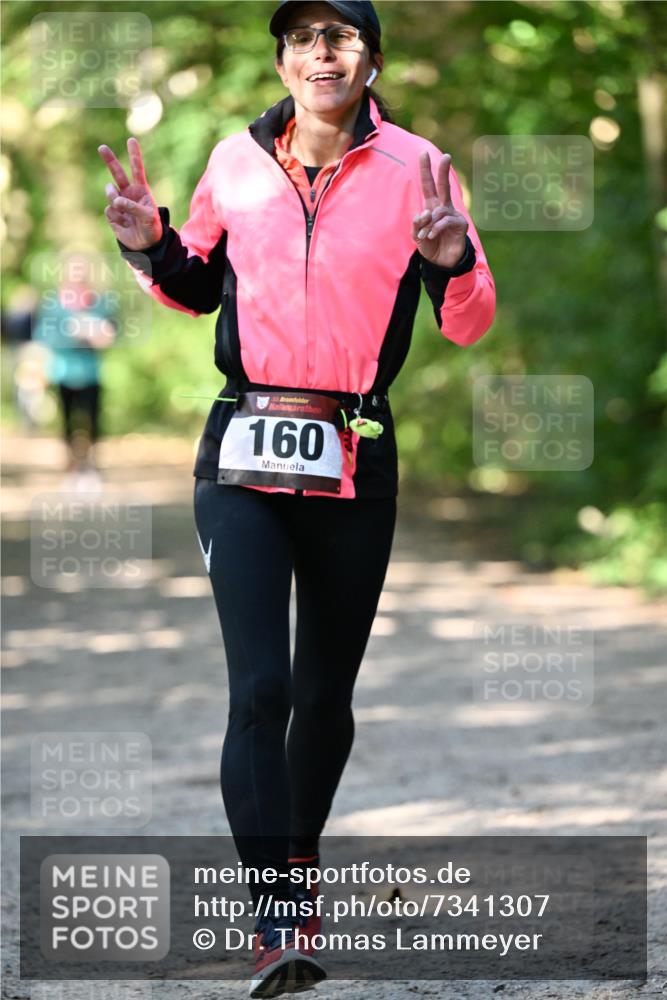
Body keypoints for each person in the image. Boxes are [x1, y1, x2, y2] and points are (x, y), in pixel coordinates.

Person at [99, 1, 495, 994]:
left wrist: (450, 266)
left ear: (369, 61)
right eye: (303, 38)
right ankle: (277, 920)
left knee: (322, 696)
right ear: (282, 61)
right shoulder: (233, 163)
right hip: (241, 447)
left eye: (342, 36)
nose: (322, 51)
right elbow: (195, 287)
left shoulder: (418, 167)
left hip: (355, 449)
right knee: (259, 692)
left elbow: (470, 321)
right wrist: (150, 248)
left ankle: (299, 871)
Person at [32, 261, 116, 484]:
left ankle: (92, 461)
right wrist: (73, 333)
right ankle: (70, 461)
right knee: (67, 420)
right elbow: (44, 336)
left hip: (91, 372)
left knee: (93, 419)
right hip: (64, 372)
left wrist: (98, 335)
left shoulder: (98, 305)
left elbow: (111, 333)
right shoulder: (55, 307)